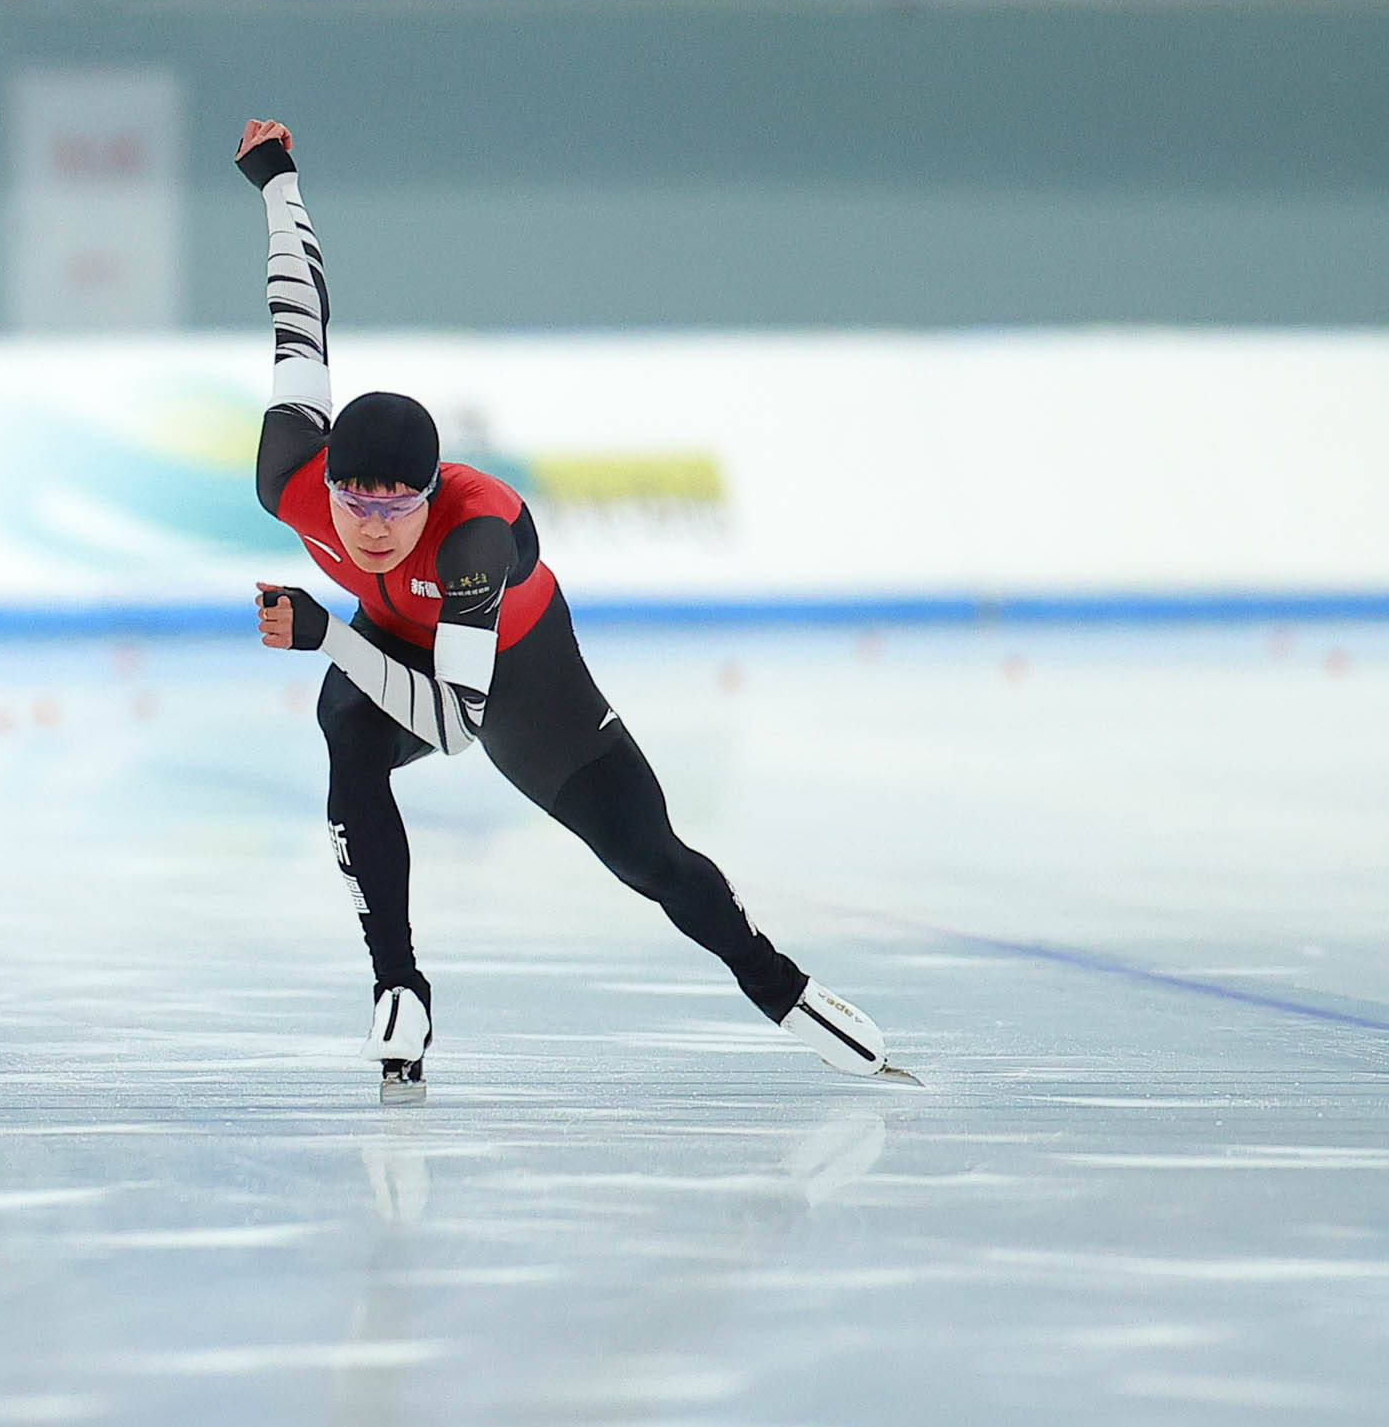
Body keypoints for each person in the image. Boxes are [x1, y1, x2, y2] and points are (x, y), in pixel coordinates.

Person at [233, 119, 911, 1099]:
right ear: (323, 480)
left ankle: (775, 982)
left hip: (520, 676)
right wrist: (277, 183)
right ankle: (398, 987)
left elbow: (457, 725)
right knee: (343, 716)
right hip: (400, 634)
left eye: (395, 504)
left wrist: (329, 631)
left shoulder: (473, 538)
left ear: (429, 498)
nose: (371, 524)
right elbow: (298, 323)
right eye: (354, 500)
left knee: (652, 862)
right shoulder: (289, 474)